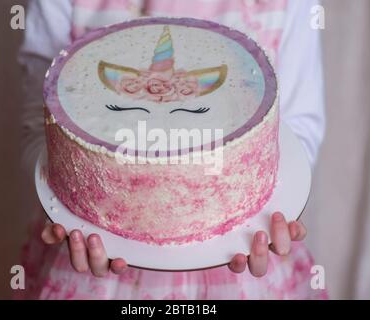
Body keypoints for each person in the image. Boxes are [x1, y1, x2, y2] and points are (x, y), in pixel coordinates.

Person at [17, 0, 327, 299]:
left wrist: (268, 216)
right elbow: (40, 122)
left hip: (248, 265)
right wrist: (72, 212)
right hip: (91, 259)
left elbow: (299, 126)